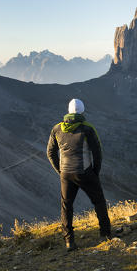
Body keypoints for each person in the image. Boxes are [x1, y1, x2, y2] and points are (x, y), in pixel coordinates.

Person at [47, 98, 111, 251]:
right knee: (99, 201)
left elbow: (50, 152)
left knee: (66, 206)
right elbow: (97, 153)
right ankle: (105, 234)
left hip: (66, 173)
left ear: (68, 111)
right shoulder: (87, 128)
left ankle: (69, 242)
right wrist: (95, 173)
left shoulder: (56, 129)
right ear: (82, 111)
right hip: (85, 171)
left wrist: (60, 171)